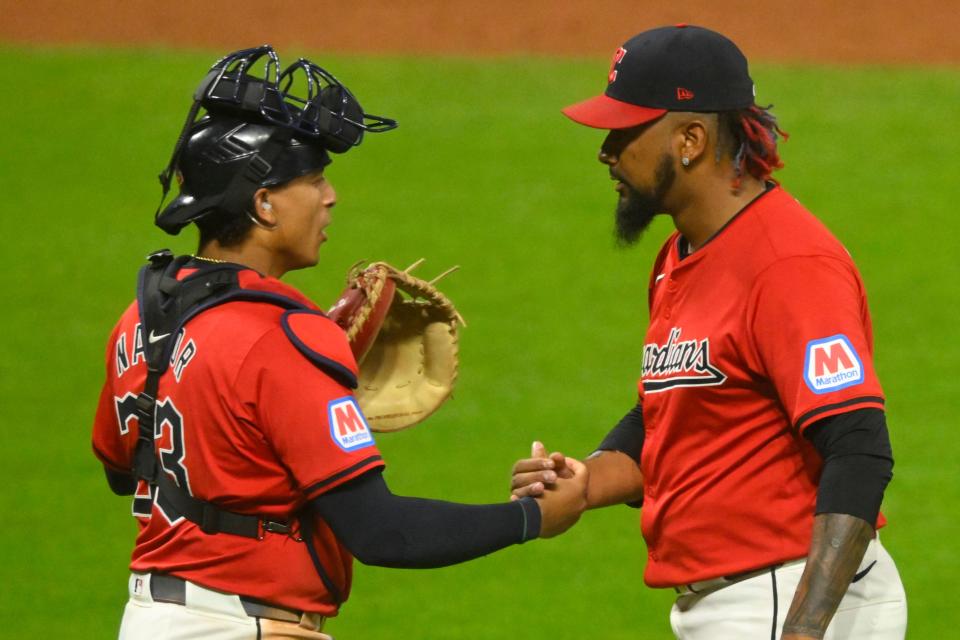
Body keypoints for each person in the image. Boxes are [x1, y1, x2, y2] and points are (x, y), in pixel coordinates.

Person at [91, 46, 587, 640]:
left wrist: (270, 425)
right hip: (239, 626)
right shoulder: (279, 340)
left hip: (150, 619)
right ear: (263, 203)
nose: (331, 197)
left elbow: (129, 469)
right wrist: (532, 517)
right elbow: (380, 532)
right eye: (313, 179)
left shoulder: (140, 320)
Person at [509, 25, 907, 639]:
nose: (606, 152)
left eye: (625, 131)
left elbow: (858, 449)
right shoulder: (680, 253)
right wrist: (586, 482)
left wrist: (802, 631)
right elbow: (673, 407)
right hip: (739, 601)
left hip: (790, 596)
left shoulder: (789, 266)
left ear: (690, 139)